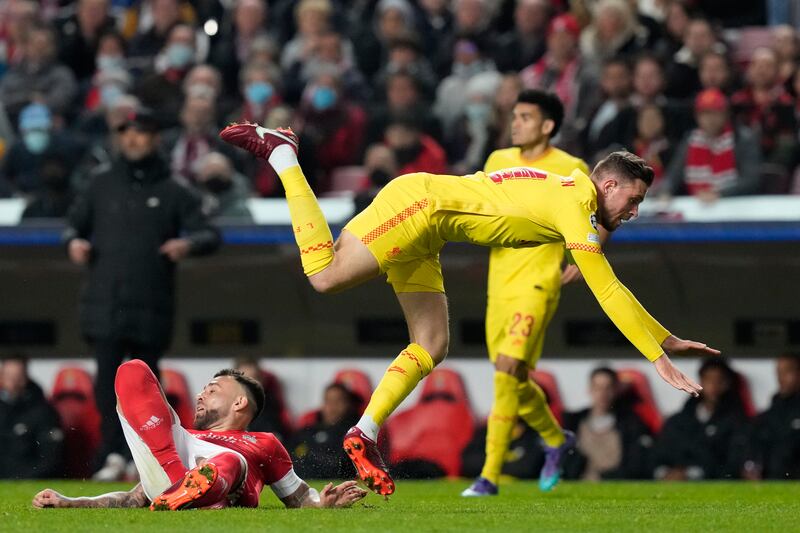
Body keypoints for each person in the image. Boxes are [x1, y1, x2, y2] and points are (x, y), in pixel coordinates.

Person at [219, 121, 719, 496]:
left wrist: (664, 337)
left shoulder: (570, 191)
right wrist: (656, 356)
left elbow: (613, 286)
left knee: (432, 344)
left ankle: (363, 431)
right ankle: (284, 155)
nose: (633, 213)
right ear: (607, 185)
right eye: (632, 200)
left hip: (431, 227)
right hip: (420, 205)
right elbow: (606, 289)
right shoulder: (577, 204)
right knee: (324, 274)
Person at [63, 106, 221, 480]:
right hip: (105, 305)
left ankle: (148, 458)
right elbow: (72, 226)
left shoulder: (173, 189)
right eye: (125, 132)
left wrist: (187, 245)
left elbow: (209, 234)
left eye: (140, 132)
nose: (131, 139)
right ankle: (112, 455)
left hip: (152, 305)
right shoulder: (100, 184)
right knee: (106, 386)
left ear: (154, 138)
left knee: (148, 388)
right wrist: (74, 242)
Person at [462, 89, 590, 498]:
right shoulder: (498, 161)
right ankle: (556, 440)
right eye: (514, 115)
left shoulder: (571, 168)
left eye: (525, 117)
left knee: (504, 370)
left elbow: (596, 216)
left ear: (548, 125)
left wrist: (586, 253)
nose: (514, 123)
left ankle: (488, 477)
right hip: (499, 284)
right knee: (514, 376)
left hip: (539, 283)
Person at [32, 360, 366, 510]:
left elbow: (298, 497)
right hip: (173, 472)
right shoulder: (181, 436)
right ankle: (185, 486)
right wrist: (71, 502)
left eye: (213, 389)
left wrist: (323, 503)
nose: (200, 394)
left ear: (239, 402)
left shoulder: (263, 442)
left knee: (230, 460)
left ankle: (194, 489)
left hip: (220, 478)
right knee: (132, 369)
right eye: (203, 389)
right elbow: (135, 498)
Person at [653, 357, 749, 480]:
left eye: (719, 380)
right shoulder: (677, 421)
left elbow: (732, 465)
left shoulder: (737, 422)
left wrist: (690, 474)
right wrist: (664, 472)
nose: (713, 386)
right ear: (700, 382)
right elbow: (658, 454)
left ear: (727, 384)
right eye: (708, 379)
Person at [561, 367, 653, 481]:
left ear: (616, 390)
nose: (602, 394)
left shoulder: (631, 423)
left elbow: (636, 464)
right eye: (597, 388)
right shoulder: (572, 422)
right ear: (589, 390)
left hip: (616, 483)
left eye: (607, 388)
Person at [0, 355, 64, 479]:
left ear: (25, 378)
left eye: (18, 377)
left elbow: (51, 456)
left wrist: (25, 477)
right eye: (9, 377)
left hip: (30, 477)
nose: (13, 383)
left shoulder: (43, 411)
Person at [744, 353, 800, 479]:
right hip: (770, 482)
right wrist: (751, 465)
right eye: (779, 372)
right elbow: (753, 447)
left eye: (788, 371)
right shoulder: (767, 416)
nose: (781, 378)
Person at [290, 382, 360, 479]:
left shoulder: (354, 433)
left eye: (338, 401)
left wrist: (309, 458)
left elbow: (342, 466)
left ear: (348, 404)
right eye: (328, 401)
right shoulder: (309, 431)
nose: (333, 407)